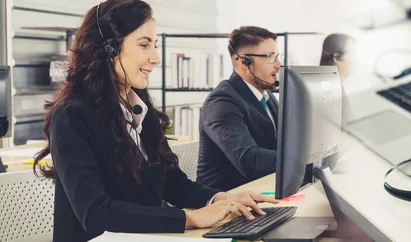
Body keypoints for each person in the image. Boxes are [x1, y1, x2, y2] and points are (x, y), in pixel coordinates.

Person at [32, 1, 277, 241]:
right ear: (110, 49)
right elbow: (95, 213)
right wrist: (188, 219)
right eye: (144, 45)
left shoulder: (139, 107)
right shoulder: (71, 116)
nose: (156, 58)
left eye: (155, 45)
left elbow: (172, 182)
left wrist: (221, 199)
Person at [196, 26, 282, 191]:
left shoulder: (266, 97)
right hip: (225, 203)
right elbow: (248, 160)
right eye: (270, 57)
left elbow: (281, 145)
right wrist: (301, 160)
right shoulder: (222, 102)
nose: (278, 64)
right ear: (245, 62)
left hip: (260, 191)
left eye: (277, 56)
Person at [320, 33, 357, 129]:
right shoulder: (326, 94)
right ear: (337, 58)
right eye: (353, 54)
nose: (357, 59)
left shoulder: (338, 88)